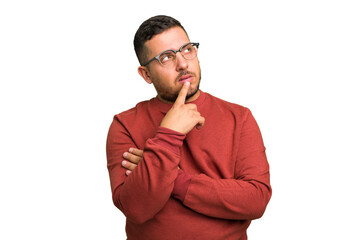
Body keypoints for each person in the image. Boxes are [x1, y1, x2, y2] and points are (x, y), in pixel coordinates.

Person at [106, 15, 271, 240]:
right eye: (166, 57)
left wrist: (172, 178)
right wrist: (168, 135)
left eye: (186, 49)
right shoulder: (124, 124)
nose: (183, 63)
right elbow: (136, 209)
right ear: (146, 74)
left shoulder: (239, 117)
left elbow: (256, 200)